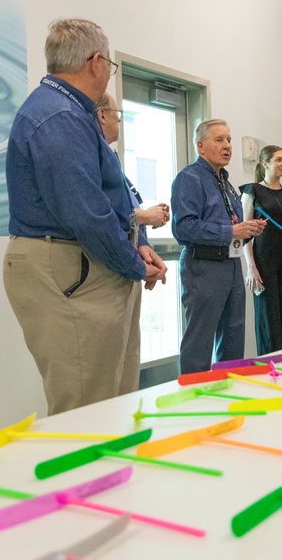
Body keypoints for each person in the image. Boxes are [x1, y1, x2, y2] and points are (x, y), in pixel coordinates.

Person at [3, 18, 167, 415]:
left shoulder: (70, 114)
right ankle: (83, 479)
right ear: (96, 62)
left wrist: (139, 248)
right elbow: (87, 213)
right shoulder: (59, 117)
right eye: (109, 66)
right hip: (70, 266)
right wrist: (132, 263)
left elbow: (113, 199)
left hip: (90, 263)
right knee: (85, 407)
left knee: (113, 396)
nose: (108, 75)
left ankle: (111, 476)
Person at [171, 119, 266, 374]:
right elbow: (183, 228)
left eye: (229, 140)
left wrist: (248, 231)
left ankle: (226, 392)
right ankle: (194, 401)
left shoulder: (226, 182)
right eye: (219, 140)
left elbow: (232, 225)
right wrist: (231, 231)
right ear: (201, 146)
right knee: (200, 341)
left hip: (231, 265)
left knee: (234, 337)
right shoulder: (189, 178)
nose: (227, 146)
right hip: (203, 268)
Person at [95, 92, 170, 394]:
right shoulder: (90, 157)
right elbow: (100, 214)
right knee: (102, 375)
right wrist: (143, 216)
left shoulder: (112, 159)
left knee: (127, 363)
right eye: (117, 114)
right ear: (101, 114)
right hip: (105, 272)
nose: (119, 121)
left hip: (128, 266)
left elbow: (127, 206)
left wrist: (144, 246)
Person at [240, 145, 282, 354]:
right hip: (264, 263)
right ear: (265, 164)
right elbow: (245, 234)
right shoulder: (253, 191)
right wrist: (251, 267)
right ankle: (270, 369)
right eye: (279, 160)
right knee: (269, 321)